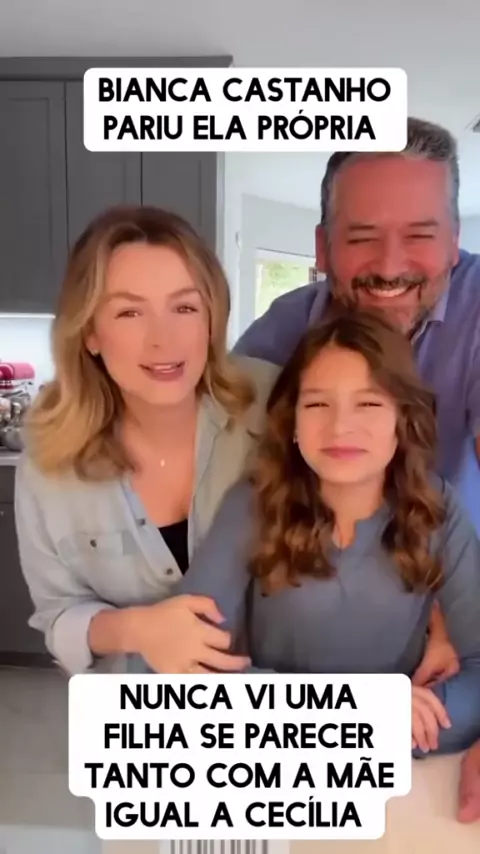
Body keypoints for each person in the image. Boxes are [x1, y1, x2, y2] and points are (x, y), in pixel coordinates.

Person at [233, 116, 480, 818]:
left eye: (421, 234)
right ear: (322, 247)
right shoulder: (276, 339)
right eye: (362, 235)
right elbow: (228, 496)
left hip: (450, 652)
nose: (390, 264)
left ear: (454, 241)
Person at [174, 309, 480, 758]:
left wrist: (403, 725)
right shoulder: (254, 503)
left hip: (398, 769)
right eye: (317, 404)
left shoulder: (440, 509)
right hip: (272, 762)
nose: (340, 427)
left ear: (404, 418)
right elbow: (189, 663)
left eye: (369, 404)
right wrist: (356, 716)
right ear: (292, 420)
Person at [14, 204, 279, 676]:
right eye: (130, 312)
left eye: (184, 307)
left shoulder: (276, 405)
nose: (163, 339)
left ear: (211, 319)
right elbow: (58, 615)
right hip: (138, 713)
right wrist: (136, 629)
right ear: (91, 333)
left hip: (287, 709)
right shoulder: (48, 461)